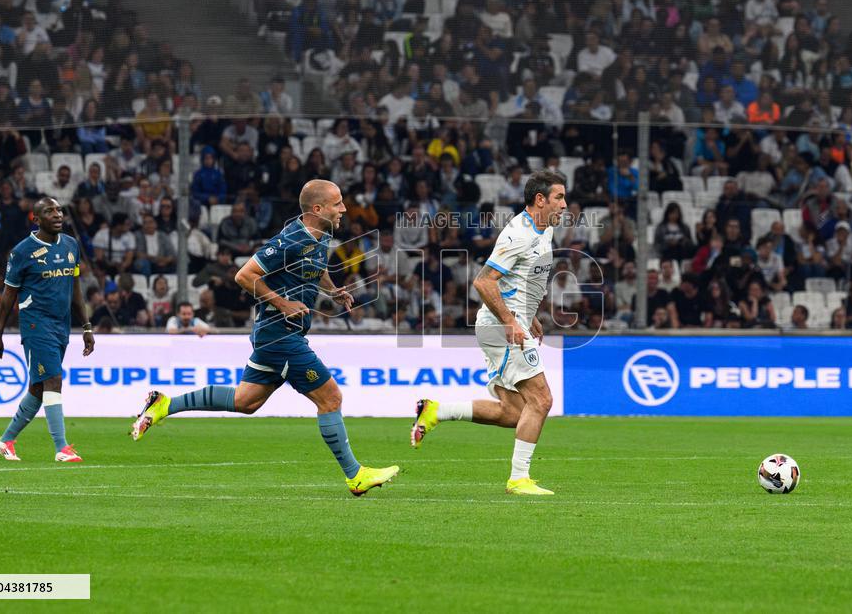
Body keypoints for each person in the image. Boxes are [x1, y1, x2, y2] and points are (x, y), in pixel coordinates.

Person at [131, 179, 399, 496]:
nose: (344, 208)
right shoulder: (289, 240)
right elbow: (244, 275)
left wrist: (333, 290)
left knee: (246, 401)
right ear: (317, 209)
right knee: (331, 400)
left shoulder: (321, 235)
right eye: (337, 203)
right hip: (280, 336)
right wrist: (282, 303)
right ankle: (355, 475)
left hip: (279, 336)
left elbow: (316, 268)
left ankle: (163, 405)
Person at [411, 170, 567, 496]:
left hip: (508, 322)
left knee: (514, 412)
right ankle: (518, 479)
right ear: (540, 200)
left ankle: (438, 410)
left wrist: (530, 314)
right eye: (559, 197)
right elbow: (483, 281)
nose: (565, 205)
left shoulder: (544, 229)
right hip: (502, 327)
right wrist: (512, 320)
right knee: (541, 399)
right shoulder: (519, 235)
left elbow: (524, 279)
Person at [0, 197, 95, 463]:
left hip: (61, 325)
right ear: (36, 219)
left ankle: (5, 441)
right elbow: (7, 296)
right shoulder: (22, 252)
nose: (58, 214)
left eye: (59, 210)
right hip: (36, 324)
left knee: (38, 388)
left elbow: (76, 289)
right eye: (50, 211)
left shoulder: (71, 245)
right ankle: (62, 447)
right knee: (53, 380)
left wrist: (86, 326)